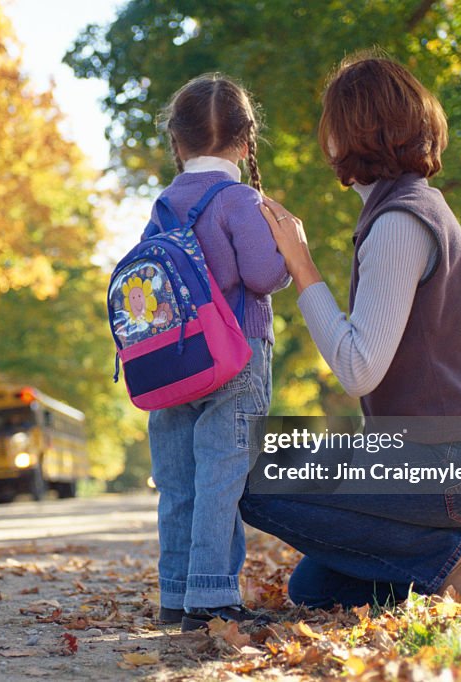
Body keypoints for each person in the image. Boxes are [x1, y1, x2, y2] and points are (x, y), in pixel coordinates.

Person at [243, 54, 461, 608]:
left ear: (344, 136)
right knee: (318, 586)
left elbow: (357, 368)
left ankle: (450, 561)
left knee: (252, 478)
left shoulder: (399, 223)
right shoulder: (411, 210)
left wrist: (300, 264)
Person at [146, 73, 290, 630]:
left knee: (178, 485)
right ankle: (210, 602)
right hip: (236, 356)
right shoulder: (238, 199)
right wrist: (284, 249)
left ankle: (176, 594)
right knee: (220, 482)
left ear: (176, 143)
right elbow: (261, 274)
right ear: (246, 140)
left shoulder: (164, 201)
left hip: (170, 362)